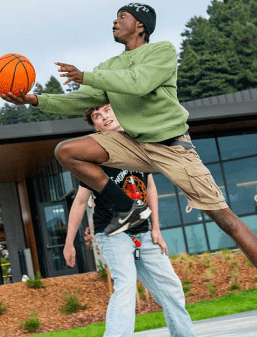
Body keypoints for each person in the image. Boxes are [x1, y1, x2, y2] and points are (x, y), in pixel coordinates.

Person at [1, 3, 257, 336]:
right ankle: (128, 206)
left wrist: (86, 74)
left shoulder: (162, 52)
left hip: (174, 148)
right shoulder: (110, 66)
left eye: (122, 17)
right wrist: (33, 100)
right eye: (115, 17)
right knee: (67, 152)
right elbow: (79, 100)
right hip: (134, 144)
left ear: (140, 26)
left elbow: (138, 82)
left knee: (226, 219)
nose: (115, 21)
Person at [64, 103, 194, 337]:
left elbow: (150, 187)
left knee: (171, 288)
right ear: (95, 126)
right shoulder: (95, 156)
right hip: (112, 233)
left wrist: (156, 228)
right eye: (97, 116)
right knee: (125, 284)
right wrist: (69, 242)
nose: (104, 117)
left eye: (107, 111)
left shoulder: (137, 145)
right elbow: (81, 202)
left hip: (144, 231)